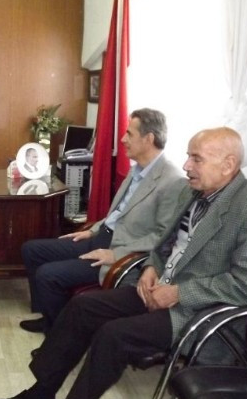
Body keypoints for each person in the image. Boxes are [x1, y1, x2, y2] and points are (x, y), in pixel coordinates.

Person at [0, 127, 247, 399]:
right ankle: (40, 396)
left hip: (198, 311)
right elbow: (165, 244)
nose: (187, 165)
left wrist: (179, 293)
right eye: (188, 156)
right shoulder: (193, 193)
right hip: (158, 289)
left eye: (196, 159)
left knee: (113, 335)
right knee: (82, 307)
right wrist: (151, 267)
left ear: (228, 165)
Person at [20, 108, 184, 334]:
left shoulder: (172, 181)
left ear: (148, 139)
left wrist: (116, 254)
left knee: (48, 274)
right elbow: (118, 213)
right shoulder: (137, 169)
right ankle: (49, 317)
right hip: (101, 236)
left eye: (129, 134)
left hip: (121, 251)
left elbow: (163, 237)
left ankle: (59, 334)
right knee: (31, 250)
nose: (123, 139)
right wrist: (92, 230)